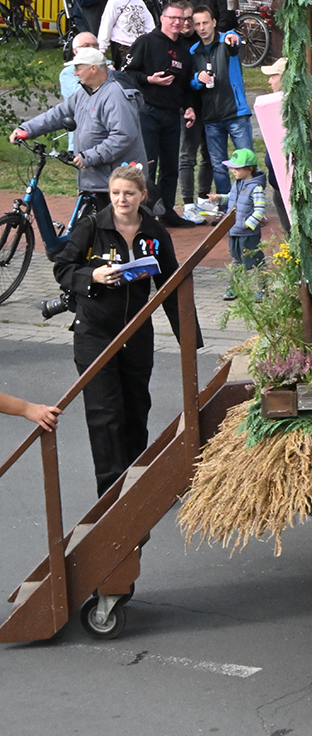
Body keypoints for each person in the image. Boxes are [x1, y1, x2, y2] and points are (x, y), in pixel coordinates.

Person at [52, 164, 183, 498]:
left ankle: (135, 485)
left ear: (143, 196)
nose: (121, 199)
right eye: (115, 193)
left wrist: (188, 338)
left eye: (129, 193)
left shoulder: (154, 233)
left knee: (136, 410)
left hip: (136, 332)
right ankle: (111, 496)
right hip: (95, 333)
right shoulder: (92, 226)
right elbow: (63, 267)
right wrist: (92, 276)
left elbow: (172, 286)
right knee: (105, 414)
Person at [12, 46, 146, 214]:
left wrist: (89, 157)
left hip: (116, 182)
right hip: (96, 178)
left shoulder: (116, 96)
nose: (75, 73)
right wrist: (26, 129)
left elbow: (123, 136)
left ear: (93, 68)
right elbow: (58, 114)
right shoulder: (84, 93)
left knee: (109, 227)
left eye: (78, 68)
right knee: (86, 226)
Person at [125, 0, 198, 224]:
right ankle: (145, 213)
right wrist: (149, 79)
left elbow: (186, 86)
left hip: (172, 114)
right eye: (173, 18)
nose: (177, 22)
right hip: (147, 111)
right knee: (148, 164)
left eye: (182, 19)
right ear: (162, 19)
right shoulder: (146, 42)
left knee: (170, 166)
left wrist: (189, 107)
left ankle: (167, 211)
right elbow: (126, 73)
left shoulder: (184, 51)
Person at [187, 5, 251, 198]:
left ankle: (251, 202)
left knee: (247, 161)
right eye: (197, 24)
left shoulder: (226, 41)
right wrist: (198, 79)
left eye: (205, 23)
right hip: (211, 117)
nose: (202, 28)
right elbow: (190, 83)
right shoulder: (193, 51)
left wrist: (233, 36)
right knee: (219, 166)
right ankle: (226, 204)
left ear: (214, 23)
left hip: (235, 113)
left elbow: (234, 43)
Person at [222, 147, 267, 282]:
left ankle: (262, 287)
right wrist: (218, 198)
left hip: (248, 234)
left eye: (237, 168)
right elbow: (231, 198)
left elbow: (259, 210)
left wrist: (248, 224)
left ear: (249, 169)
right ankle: (234, 287)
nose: (233, 171)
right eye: (232, 167)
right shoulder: (237, 184)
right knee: (235, 259)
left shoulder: (256, 188)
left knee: (256, 259)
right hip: (234, 231)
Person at [96, 0, 153, 69]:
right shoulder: (114, 2)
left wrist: (152, 39)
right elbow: (106, 24)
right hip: (123, 47)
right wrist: (102, 48)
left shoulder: (139, 1)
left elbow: (149, 23)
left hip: (140, 46)